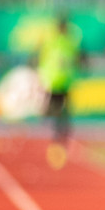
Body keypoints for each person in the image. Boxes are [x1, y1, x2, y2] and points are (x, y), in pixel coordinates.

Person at [36, 12, 83, 169]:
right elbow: (42, 58)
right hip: (54, 81)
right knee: (55, 110)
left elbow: (79, 57)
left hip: (66, 81)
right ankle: (57, 136)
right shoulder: (52, 41)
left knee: (65, 112)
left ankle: (62, 137)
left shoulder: (70, 42)